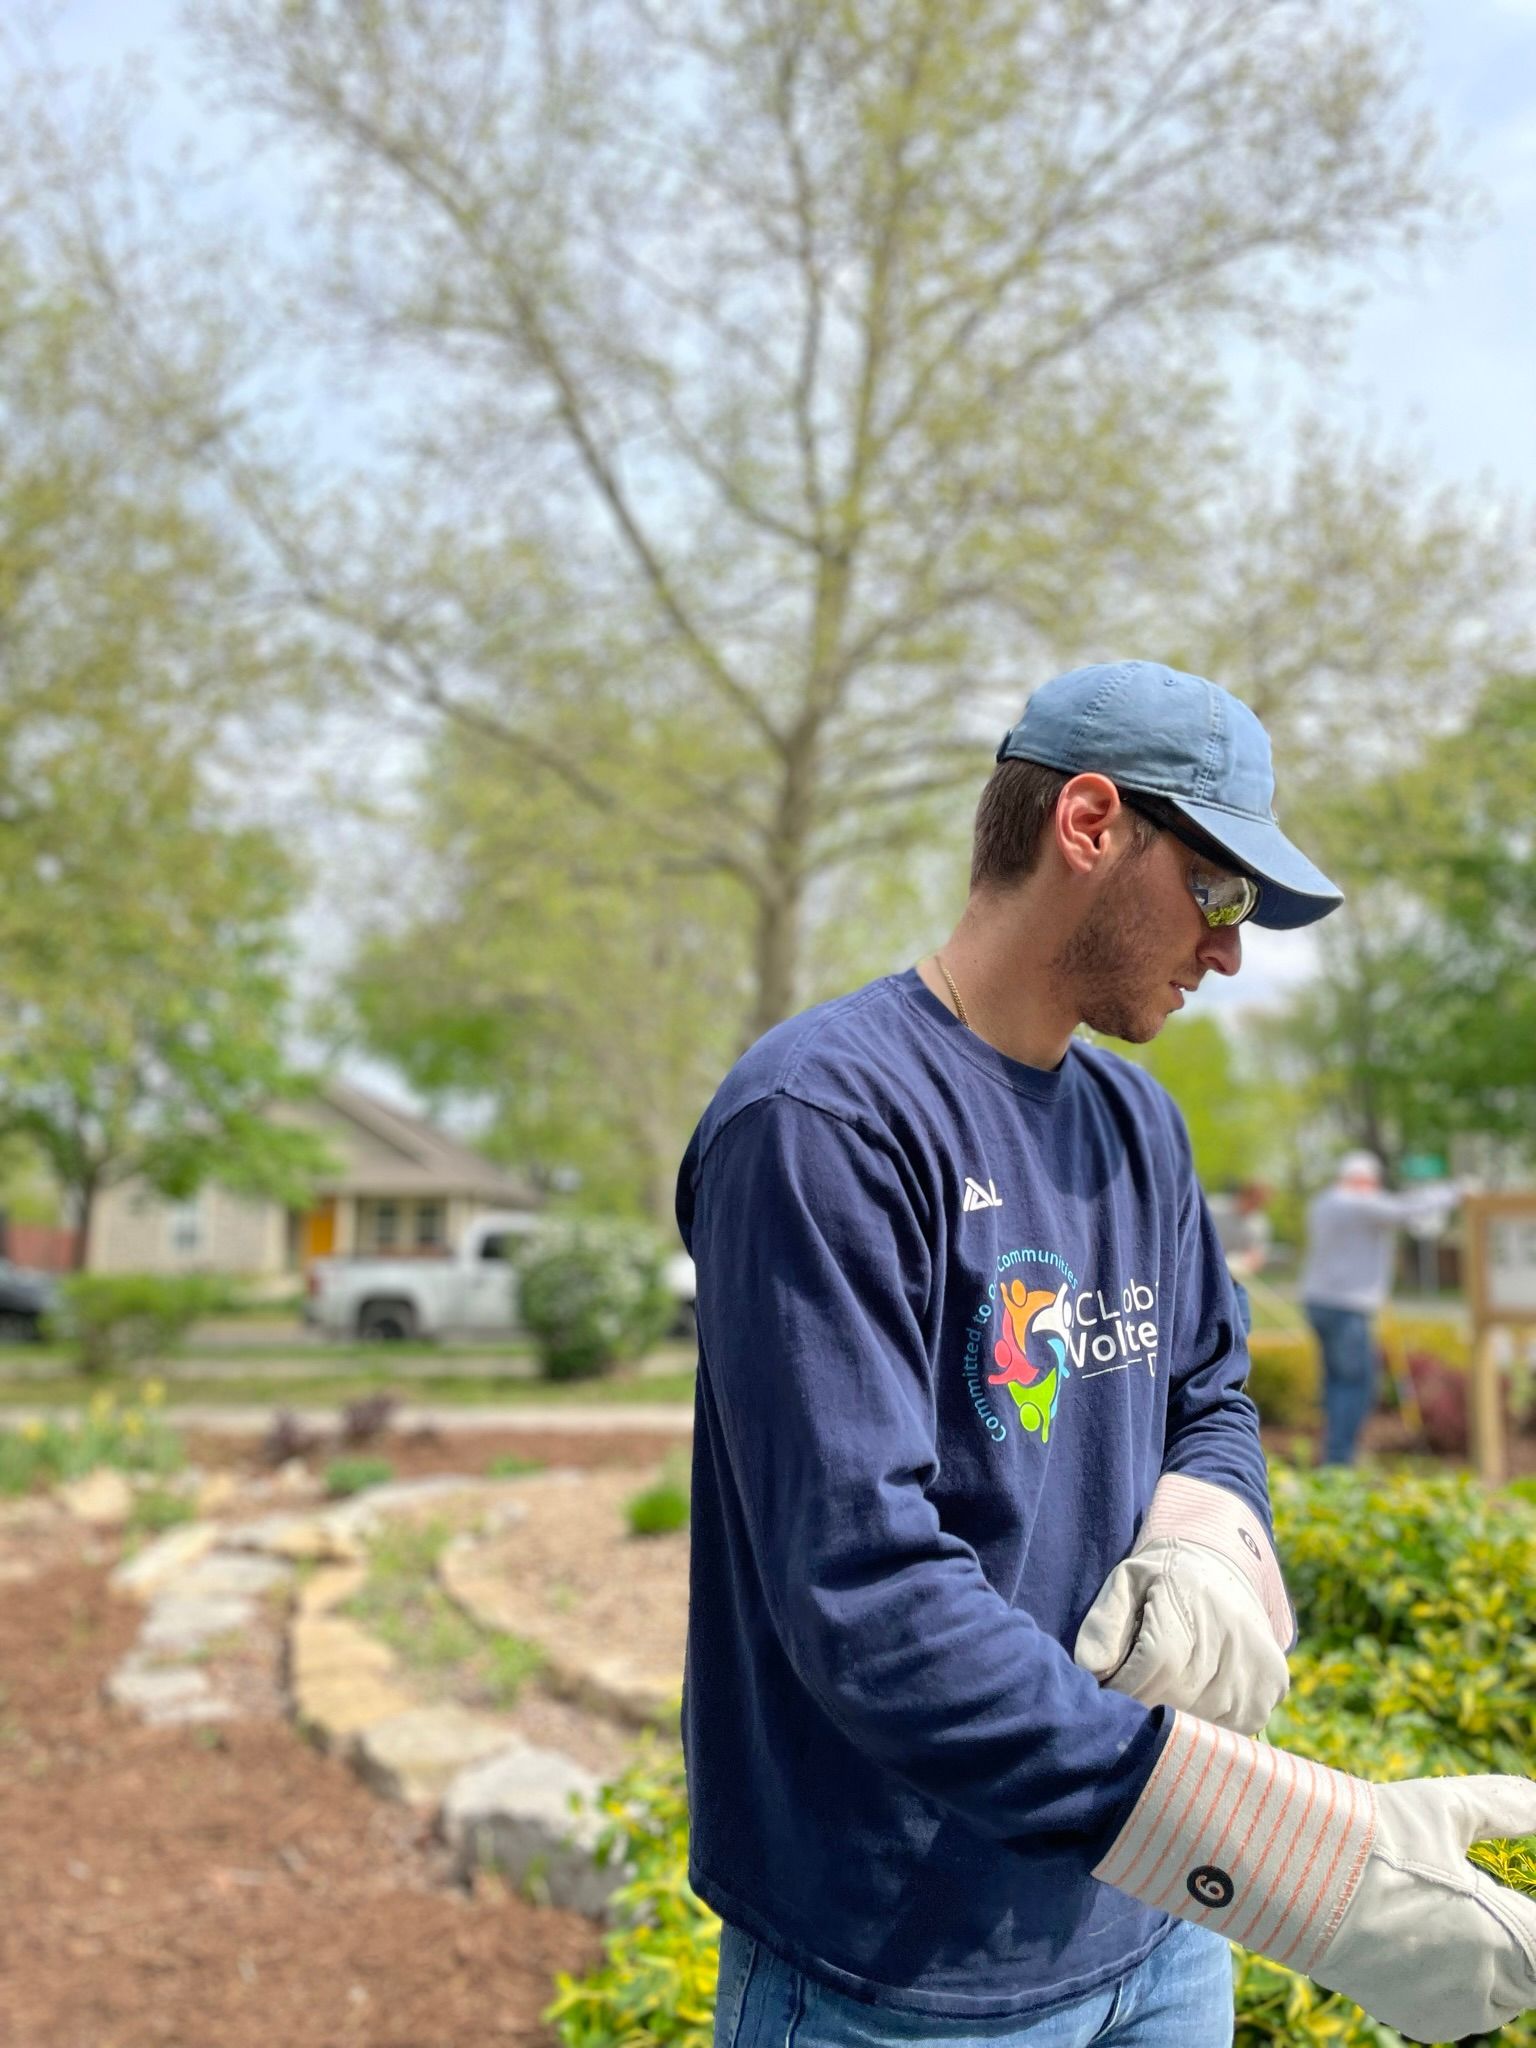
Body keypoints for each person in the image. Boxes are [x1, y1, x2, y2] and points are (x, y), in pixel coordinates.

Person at [677, 660, 1536, 2048]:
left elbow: (1209, 1392)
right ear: (1088, 824)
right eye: (1223, 891)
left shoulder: (1140, 1126)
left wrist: (1207, 1547)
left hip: (1157, 1941)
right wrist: (1300, 1871)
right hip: (903, 1961)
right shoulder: (822, 1120)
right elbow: (868, 1599)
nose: (1233, 951)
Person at [1300, 1150, 1463, 1466]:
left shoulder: (1323, 1203)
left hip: (1320, 1301)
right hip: (1347, 1306)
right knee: (1356, 1384)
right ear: (1363, 1180)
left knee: (1336, 1381)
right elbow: (1406, 1209)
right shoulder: (1355, 1203)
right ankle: (1339, 1459)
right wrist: (1454, 1192)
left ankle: (1333, 1451)